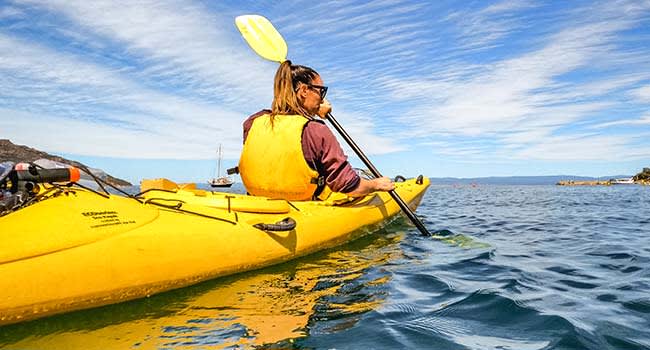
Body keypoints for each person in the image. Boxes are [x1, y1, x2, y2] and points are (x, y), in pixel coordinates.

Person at [238, 60, 394, 201]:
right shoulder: (316, 130)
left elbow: (278, 118)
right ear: (304, 90)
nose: (322, 99)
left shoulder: (253, 122)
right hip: (302, 208)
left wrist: (309, 111)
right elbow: (349, 186)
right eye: (321, 91)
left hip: (257, 204)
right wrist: (375, 184)